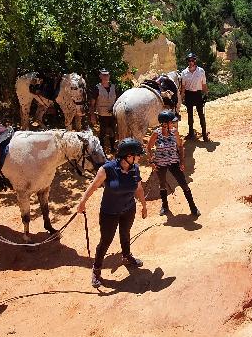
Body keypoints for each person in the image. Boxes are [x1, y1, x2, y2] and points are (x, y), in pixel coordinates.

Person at [76, 138, 148, 288]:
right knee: (106, 241)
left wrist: (144, 205)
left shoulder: (135, 168)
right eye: (137, 155)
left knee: (125, 233)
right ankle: (96, 269)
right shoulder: (107, 169)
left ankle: (127, 256)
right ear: (128, 156)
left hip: (128, 209)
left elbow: (139, 189)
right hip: (109, 212)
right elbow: (94, 185)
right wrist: (82, 202)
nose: (140, 157)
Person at [147, 110, 200, 217]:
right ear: (164, 124)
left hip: (174, 162)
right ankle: (165, 206)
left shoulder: (174, 132)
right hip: (160, 163)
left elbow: (180, 146)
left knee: (184, 184)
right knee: (162, 185)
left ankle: (193, 207)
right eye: (171, 122)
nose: (173, 124)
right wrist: (151, 161)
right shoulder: (156, 133)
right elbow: (148, 147)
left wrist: (181, 161)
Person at [179, 52, 210, 142]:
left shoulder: (201, 71)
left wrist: (206, 94)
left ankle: (204, 135)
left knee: (201, 115)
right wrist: (181, 97)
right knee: (190, 116)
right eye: (189, 60)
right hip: (189, 95)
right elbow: (183, 87)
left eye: (192, 60)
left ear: (195, 61)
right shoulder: (184, 73)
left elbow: (204, 84)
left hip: (198, 94)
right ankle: (191, 133)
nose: (190, 62)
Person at [89, 68, 118, 153]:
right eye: (103, 75)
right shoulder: (97, 88)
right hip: (102, 115)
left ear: (109, 76)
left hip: (113, 114)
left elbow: (118, 100)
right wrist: (92, 115)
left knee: (113, 131)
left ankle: (113, 148)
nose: (105, 77)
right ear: (100, 76)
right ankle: (101, 150)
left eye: (107, 75)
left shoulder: (114, 87)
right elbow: (92, 104)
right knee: (103, 133)